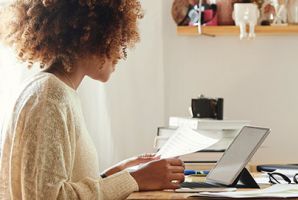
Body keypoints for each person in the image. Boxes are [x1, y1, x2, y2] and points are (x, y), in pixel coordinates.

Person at [0, 0, 185, 199]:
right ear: (89, 36)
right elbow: (49, 197)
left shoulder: (59, 91)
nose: (121, 51)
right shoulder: (49, 96)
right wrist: (134, 179)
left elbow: (60, 184)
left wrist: (114, 173)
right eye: (116, 37)